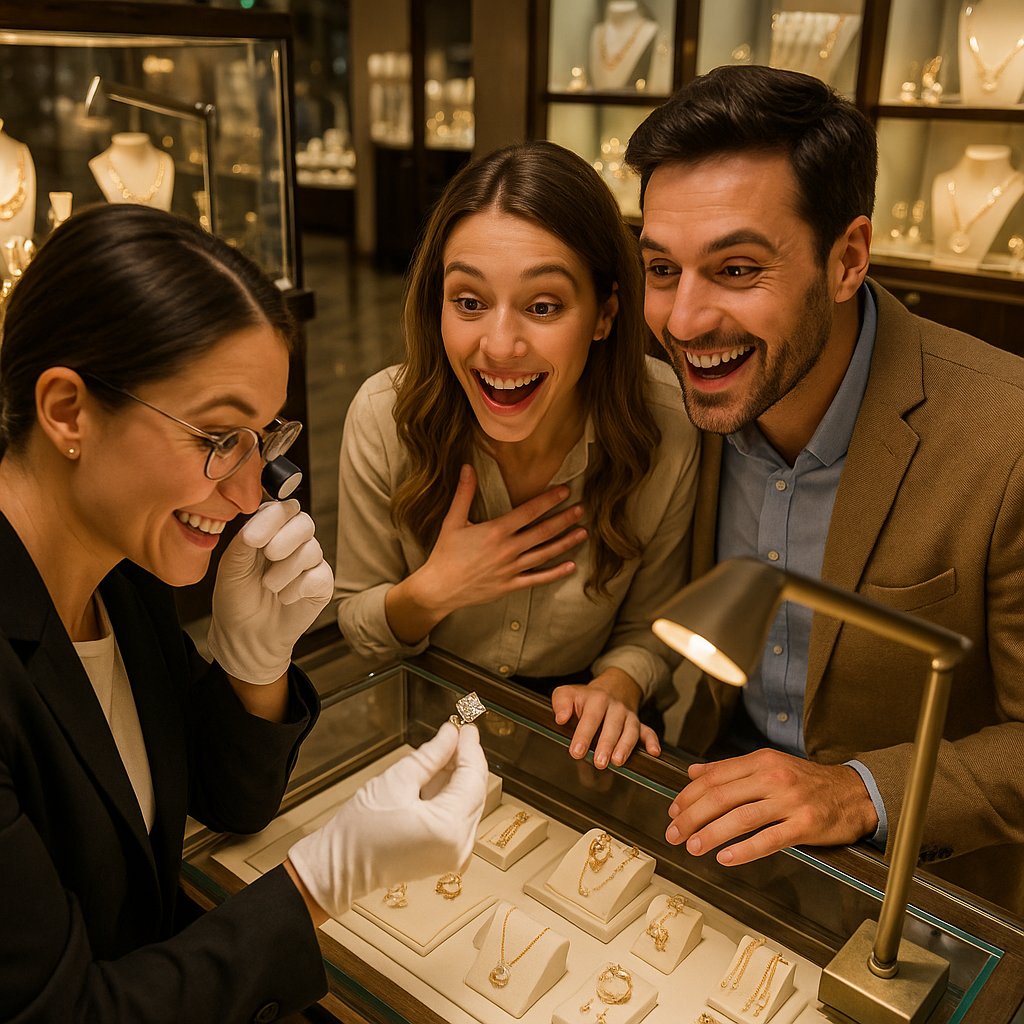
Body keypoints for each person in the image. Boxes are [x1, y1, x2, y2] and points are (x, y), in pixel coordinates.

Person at [0, 203, 488, 1022]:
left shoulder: (117, 577)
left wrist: (255, 669)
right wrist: (320, 881)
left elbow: (225, 802)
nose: (248, 491)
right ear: (67, 411)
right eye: (217, 437)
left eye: (263, 439)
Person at [625, 64, 1024, 913]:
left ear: (847, 260)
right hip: (716, 840)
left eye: (737, 269)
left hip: (921, 894)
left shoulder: (1008, 439)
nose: (684, 321)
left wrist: (855, 792)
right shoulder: (671, 410)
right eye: (662, 268)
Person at [335, 141, 700, 769]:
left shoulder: (666, 421)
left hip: (580, 743)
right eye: (469, 303)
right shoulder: (384, 415)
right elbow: (358, 627)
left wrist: (619, 684)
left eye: (543, 307)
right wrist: (432, 591)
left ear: (605, 314)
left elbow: (652, 625)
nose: (500, 346)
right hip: (425, 720)